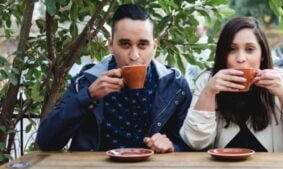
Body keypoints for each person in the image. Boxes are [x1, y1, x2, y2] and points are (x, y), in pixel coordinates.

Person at [36, 4, 192, 153]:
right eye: (125, 44)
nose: (134, 56)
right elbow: (46, 141)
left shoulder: (175, 86)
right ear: (111, 45)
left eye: (142, 45)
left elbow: (190, 146)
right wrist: (88, 96)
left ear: (154, 46)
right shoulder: (86, 81)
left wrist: (172, 147)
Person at [179, 17, 283, 152]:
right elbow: (195, 142)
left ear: (262, 55)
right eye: (232, 49)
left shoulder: (282, 80)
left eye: (250, 49)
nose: (241, 58)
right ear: (223, 54)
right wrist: (209, 93)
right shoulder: (208, 82)